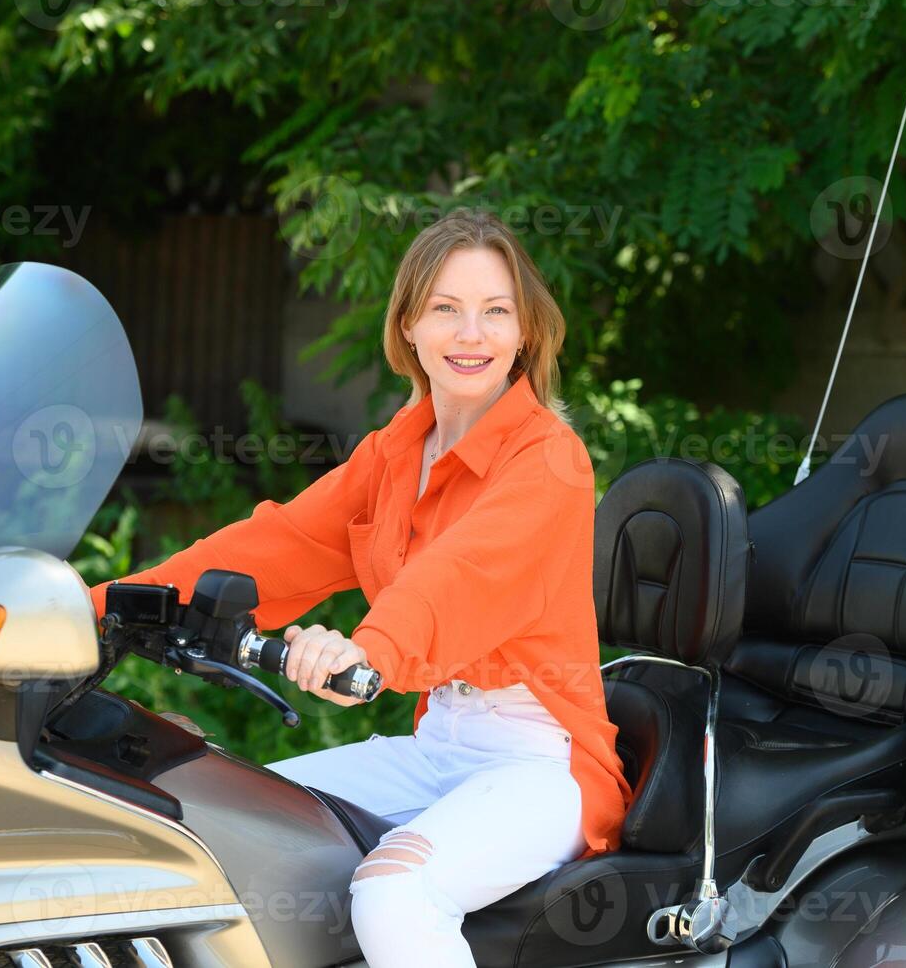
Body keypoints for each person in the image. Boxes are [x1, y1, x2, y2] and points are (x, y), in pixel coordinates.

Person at [90, 208, 633, 966]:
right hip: (438, 742)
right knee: (223, 827)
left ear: (525, 333)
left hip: (540, 762)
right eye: (445, 309)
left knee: (396, 892)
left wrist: (369, 652)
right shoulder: (394, 453)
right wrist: (92, 612)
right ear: (408, 325)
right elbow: (277, 546)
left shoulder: (547, 459)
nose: (470, 334)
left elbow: (461, 578)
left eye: (494, 312)